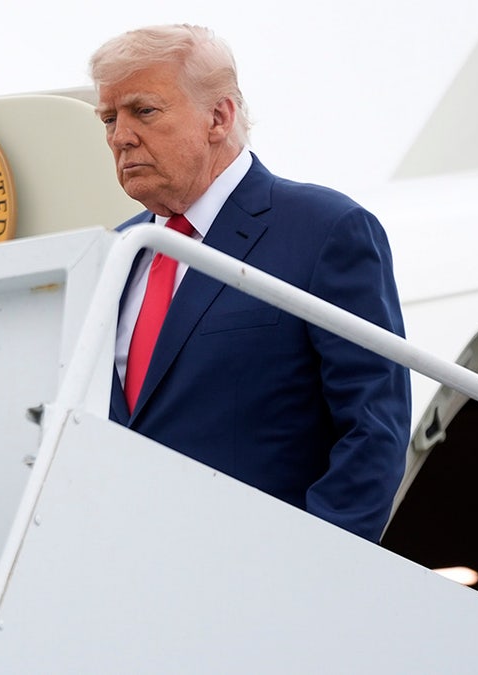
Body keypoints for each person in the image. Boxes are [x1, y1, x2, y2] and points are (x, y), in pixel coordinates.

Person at [90, 24, 411, 543]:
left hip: (262, 583)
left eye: (143, 111)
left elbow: (374, 426)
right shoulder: (108, 256)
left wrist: (317, 567)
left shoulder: (323, 230)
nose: (120, 136)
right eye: (109, 118)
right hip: (123, 576)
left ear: (219, 117)